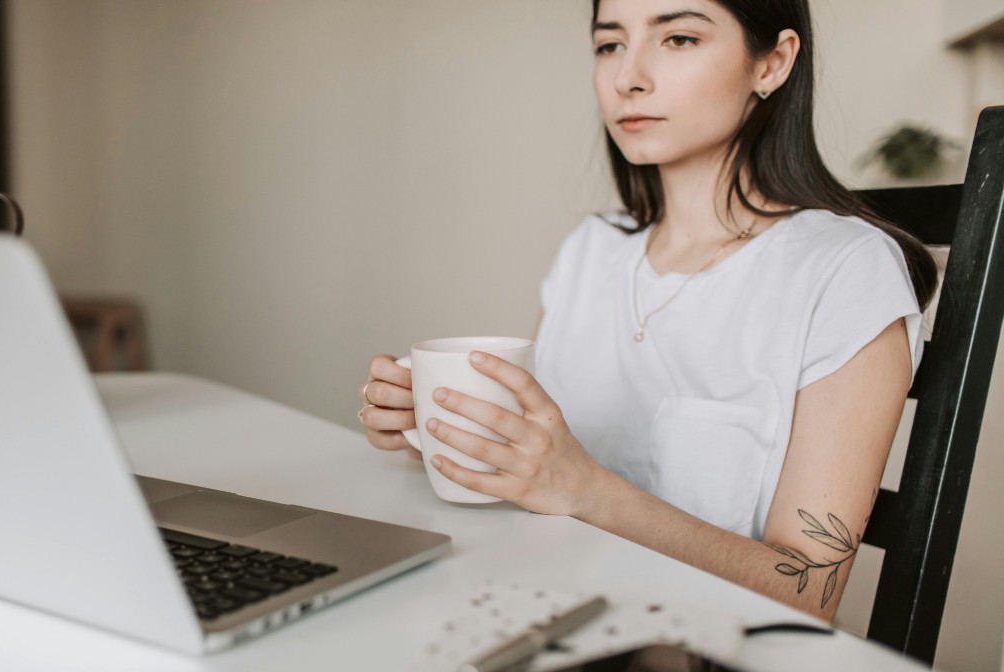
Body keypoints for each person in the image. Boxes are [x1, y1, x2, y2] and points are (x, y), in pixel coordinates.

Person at [356, 0, 935, 621]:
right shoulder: (590, 250)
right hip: (543, 617)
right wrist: (442, 434)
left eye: (679, 38)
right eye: (609, 45)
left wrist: (586, 492)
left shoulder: (843, 271)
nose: (627, 76)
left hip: (708, 666)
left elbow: (809, 591)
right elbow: (543, 468)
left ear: (772, 62)